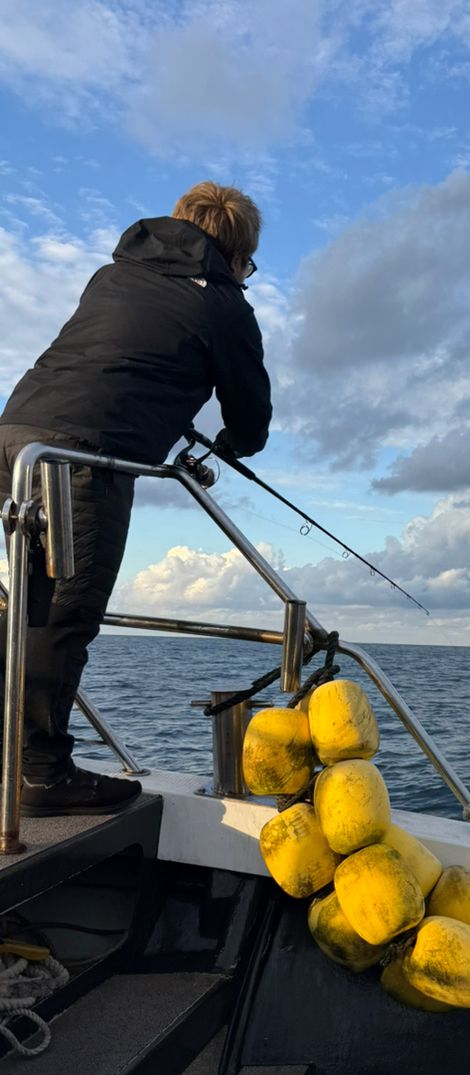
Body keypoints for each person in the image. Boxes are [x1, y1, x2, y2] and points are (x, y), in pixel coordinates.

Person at [0, 181, 272, 816]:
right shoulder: (225, 304)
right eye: (248, 265)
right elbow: (251, 417)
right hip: (78, 458)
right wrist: (233, 441)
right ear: (235, 255)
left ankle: (18, 756)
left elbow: (115, 359)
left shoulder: (112, 276)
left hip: (13, 439)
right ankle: (39, 775)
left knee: (27, 610)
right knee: (64, 618)